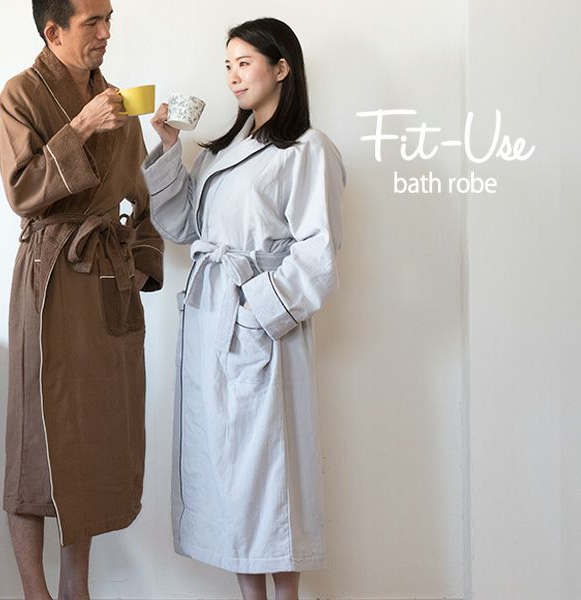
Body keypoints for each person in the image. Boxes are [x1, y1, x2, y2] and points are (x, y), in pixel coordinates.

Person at [142, 17, 345, 600]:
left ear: (281, 68)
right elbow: (183, 227)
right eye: (227, 65)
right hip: (212, 322)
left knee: (269, 475)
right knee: (229, 478)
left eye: (245, 63)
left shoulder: (307, 150)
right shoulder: (221, 152)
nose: (233, 76)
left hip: (260, 328)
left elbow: (319, 252)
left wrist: (258, 307)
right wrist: (170, 147)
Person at [0, 0, 163, 598]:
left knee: (87, 440)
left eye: (109, 18)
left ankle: (76, 589)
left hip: (105, 281)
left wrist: (141, 263)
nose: (107, 32)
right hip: (48, 282)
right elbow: (21, 189)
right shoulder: (20, 94)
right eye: (93, 21)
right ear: (53, 31)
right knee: (35, 441)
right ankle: (35, 593)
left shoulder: (120, 102)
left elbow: (138, 198)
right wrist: (82, 128)